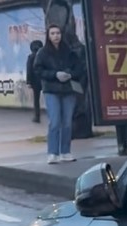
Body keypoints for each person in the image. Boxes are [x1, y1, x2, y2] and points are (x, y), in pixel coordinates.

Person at [33, 25, 85, 164]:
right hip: (51, 90)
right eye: (53, 33)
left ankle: (65, 152)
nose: (56, 36)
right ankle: (52, 153)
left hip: (68, 90)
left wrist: (70, 74)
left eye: (58, 33)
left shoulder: (69, 52)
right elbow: (38, 70)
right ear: (48, 36)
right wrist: (54, 74)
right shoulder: (43, 53)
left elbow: (79, 68)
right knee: (55, 122)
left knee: (67, 123)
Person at [25, 39, 43, 123]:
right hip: (44, 79)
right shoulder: (44, 55)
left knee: (36, 99)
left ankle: (37, 116)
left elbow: (29, 70)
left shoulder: (31, 57)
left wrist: (28, 81)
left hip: (35, 81)